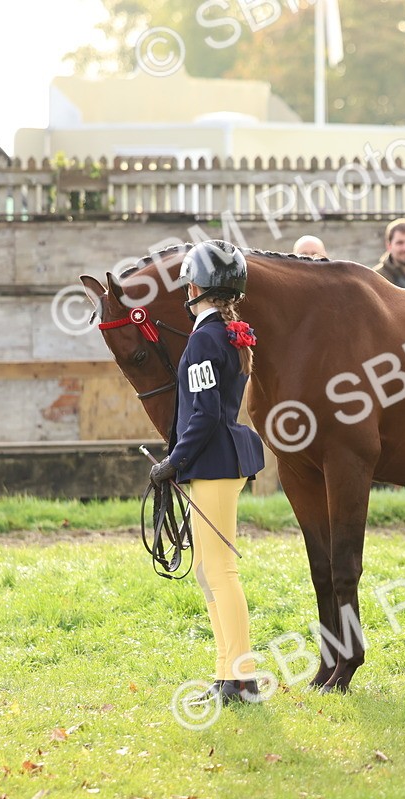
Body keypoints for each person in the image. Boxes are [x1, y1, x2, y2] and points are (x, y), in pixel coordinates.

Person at [149, 239, 267, 706]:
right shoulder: (229, 332)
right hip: (224, 460)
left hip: (213, 463)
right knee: (206, 570)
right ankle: (227, 674)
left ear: (194, 286)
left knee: (219, 570)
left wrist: (172, 462)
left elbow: (203, 415)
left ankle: (241, 678)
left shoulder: (203, 338)